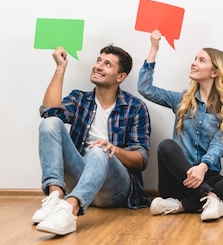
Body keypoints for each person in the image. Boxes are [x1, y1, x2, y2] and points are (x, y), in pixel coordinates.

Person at [32, 45, 151, 236]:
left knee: (99, 150)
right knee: (50, 123)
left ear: (120, 77)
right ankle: (55, 195)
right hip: (81, 179)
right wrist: (60, 68)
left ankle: (70, 210)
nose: (98, 66)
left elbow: (141, 160)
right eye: (98, 61)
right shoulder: (79, 99)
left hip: (114, 190)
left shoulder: (135, 107)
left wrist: (114, 149)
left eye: (107, 64)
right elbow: (48, 112)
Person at [137, 30, 223, 222]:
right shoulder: (181, 100)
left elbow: (220, 143)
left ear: (215, 72)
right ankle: (211, 199)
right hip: (177, 181)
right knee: (166, 146)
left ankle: (182, 206)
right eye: (195, 58)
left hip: (207, 176)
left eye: (201, 60)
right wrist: (154, 49)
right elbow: (145, 89)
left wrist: (203, 167)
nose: (194, 62)